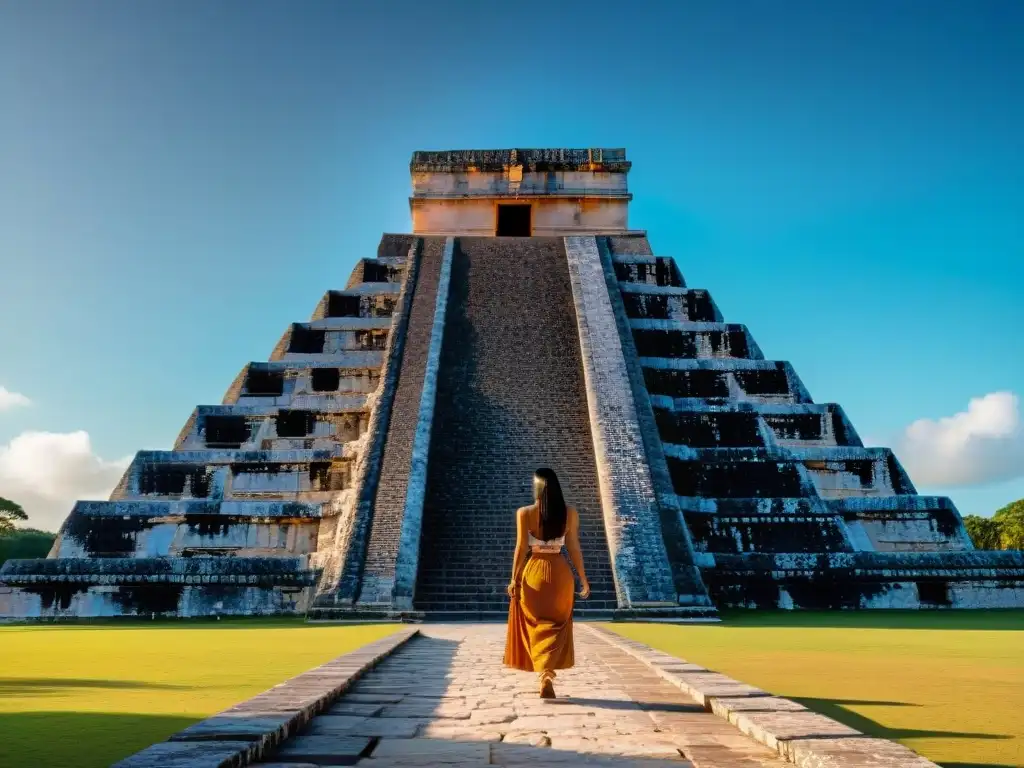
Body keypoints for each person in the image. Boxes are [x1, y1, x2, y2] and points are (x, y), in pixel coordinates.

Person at [503, 467, 590, 698]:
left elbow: (521, 548)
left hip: (534, 574)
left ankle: (543, 674)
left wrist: (513, 578)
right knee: (556, 625)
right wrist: (582, 577)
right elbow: (573, 547)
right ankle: (548, 674)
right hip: (560, 575)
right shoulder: (569, 513)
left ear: (538, 488)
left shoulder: (524, 513)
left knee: (536, 624)